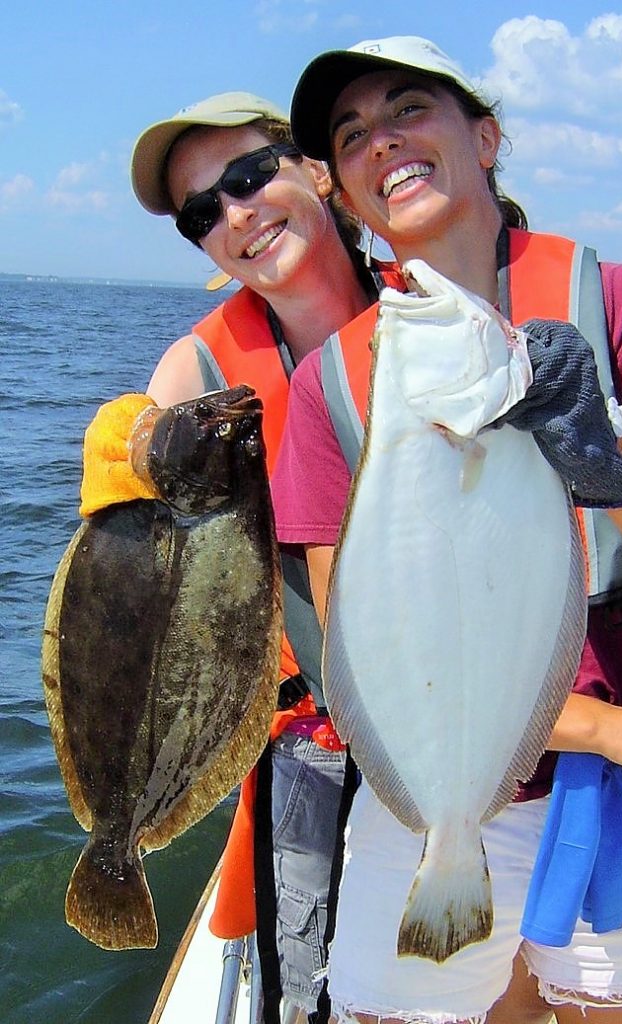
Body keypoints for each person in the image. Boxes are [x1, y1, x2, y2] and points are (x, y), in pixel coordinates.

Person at [269, 35, 622, 1024]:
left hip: (621, 785)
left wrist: (606, 468)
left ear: (482, 135)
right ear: (346, 196)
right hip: (451, 792)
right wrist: (601, 729)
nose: (381, 142)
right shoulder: (329, 386)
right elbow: (349, 650)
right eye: (351, 134)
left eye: (410, 109)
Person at [78, 91, 404, 1020]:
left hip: (466, 716)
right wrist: (121, 446)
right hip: (314, 742)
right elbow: (122, 577)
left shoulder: (431, 309)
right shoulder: (198, 375)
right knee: (315, 991)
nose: (236, 214)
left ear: (317, 172)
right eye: (201, 215)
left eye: (251, 175)